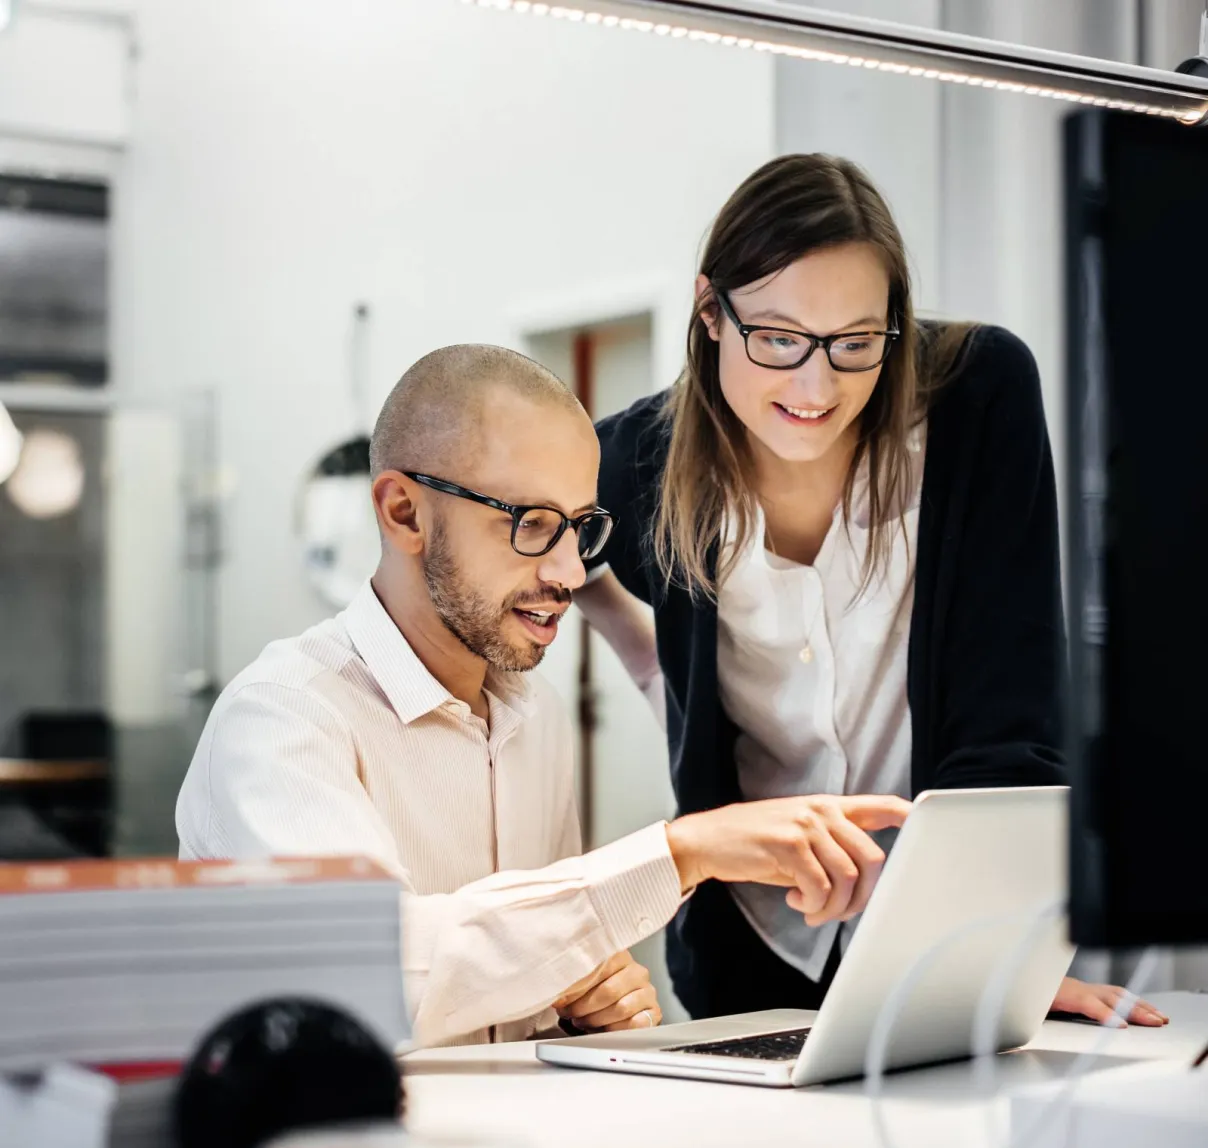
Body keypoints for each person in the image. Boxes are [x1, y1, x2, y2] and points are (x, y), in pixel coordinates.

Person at [175, 343, 911, 1049]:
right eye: (530, 524)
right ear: (404, 513)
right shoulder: (282, 719)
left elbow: (511, 988)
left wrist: (581, 1006)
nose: (568, 571)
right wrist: (680, 852)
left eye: (581, 528)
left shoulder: (537, 720)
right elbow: (376, 984)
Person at [576, 154, 1166, 1030]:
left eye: (857, 343)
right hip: (748, 946)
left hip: (938, 935)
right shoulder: (638, 458)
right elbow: (538, 545)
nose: (818, 388)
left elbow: (1011, 715)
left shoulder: (975, 400)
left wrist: (996, 955)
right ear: (711, 311)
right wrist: (658, 669)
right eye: (779, 339)